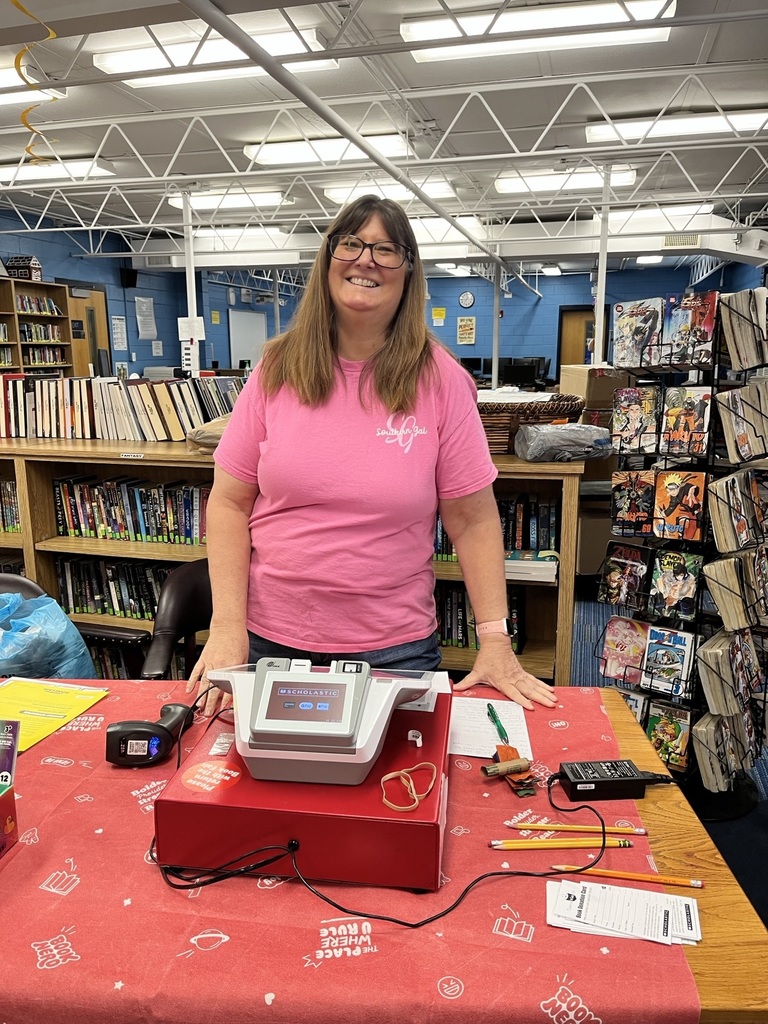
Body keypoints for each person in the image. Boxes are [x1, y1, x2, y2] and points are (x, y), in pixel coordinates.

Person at [187, 195, 556, 716]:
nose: (366, 260)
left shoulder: (442, 380)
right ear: (328, 258)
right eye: (352, 244)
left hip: (393, 653)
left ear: (409, 271)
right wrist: (227, 627)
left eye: (386, 250)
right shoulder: (276, 368)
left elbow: (473, 519)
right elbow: (229, 502)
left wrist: (494, 639)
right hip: (268, 643)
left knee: (400, 771)